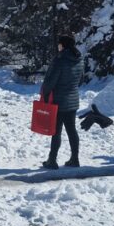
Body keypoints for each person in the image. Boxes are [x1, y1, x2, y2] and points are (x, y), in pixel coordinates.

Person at [40, 35, 84, 169]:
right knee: (71, 130)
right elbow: (80, 81)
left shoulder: (59, 60)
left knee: (56, 132)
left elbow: (51, 81)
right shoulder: (79, 59)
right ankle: (74, 159)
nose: (58, 46)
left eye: (59, 44)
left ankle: (52, 161)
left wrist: (45, 93)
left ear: (63, 45)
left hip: (58, 101)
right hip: (73, 100)